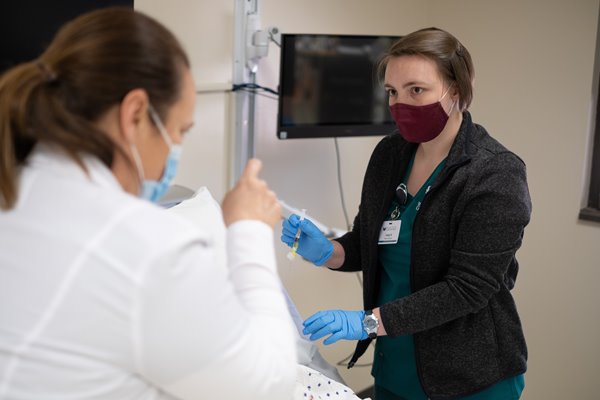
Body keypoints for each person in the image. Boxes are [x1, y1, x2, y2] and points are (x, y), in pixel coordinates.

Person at [0, 8, 296, 400]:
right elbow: (270, 386)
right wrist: (248, 231)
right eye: (179, 131)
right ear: (135, 114)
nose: (174, 151)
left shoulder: (18, 188)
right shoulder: (148, 247)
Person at [281, 27, 531, 400]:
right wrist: (331, 252)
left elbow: (468, 289)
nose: (401, 104)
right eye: (392, 92)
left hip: (469, 377)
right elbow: (371, 241)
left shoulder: (494, 173)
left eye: (417, 90)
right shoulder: (390, 154)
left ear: (456, 90)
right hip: (395, 363)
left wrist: (366, 322)